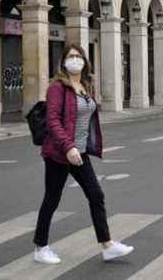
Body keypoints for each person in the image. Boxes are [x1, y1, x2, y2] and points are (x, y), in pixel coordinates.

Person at [33, 44, 134, 265]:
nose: (75, 60)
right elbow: (53, 121)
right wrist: (68, 147)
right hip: (59, 153)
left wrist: (83, 146)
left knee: (96, 195)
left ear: (85, 61)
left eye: (79, 56)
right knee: (52, 199)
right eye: (71, 57)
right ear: (63, 62)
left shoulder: (85, 85)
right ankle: (40, 247)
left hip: (79, 152)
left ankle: (107, 245)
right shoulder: (57, 88)